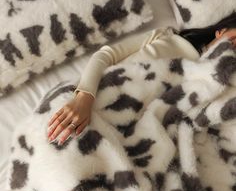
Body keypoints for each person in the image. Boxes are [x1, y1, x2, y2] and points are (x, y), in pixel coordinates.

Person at [47, 12, 236, 146]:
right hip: (88, 97)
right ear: (221, 31)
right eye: (234, 39)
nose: (232, 47)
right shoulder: (167, 36)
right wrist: (83, 99)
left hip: (128, 137)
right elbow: (106, 55)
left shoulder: (218, 89)